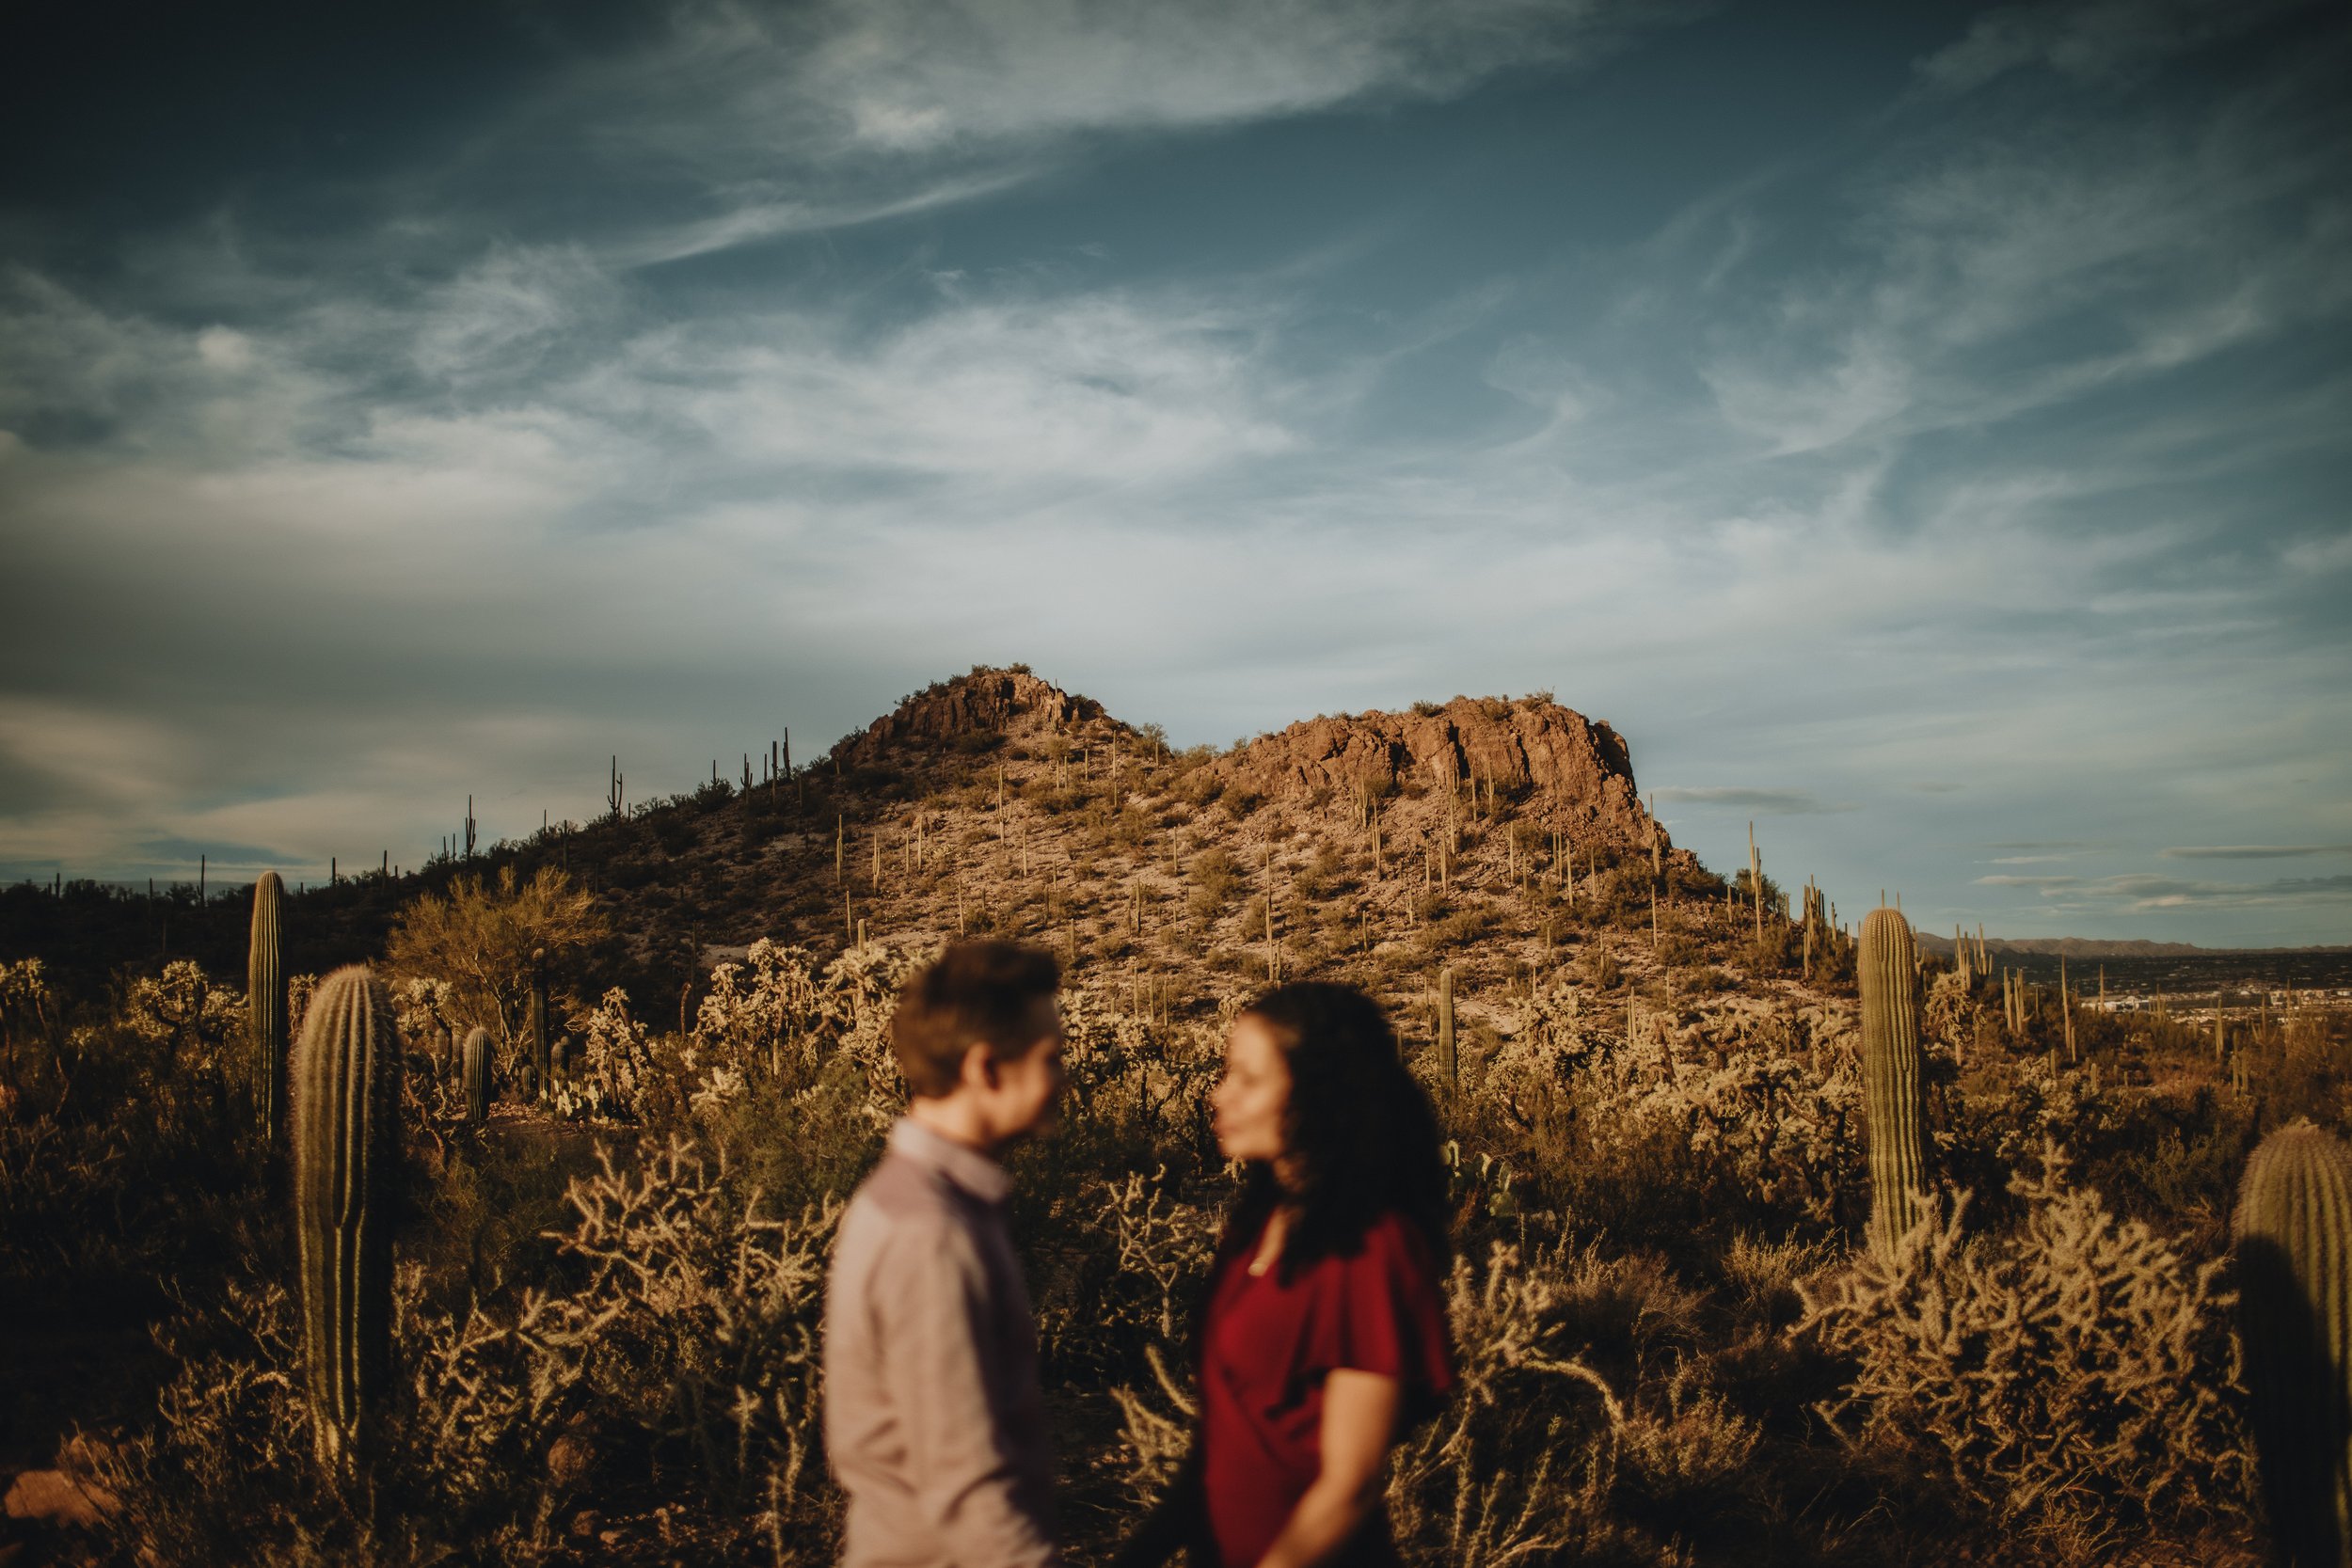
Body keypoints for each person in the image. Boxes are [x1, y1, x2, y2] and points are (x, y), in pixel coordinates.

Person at [1119, 981, 1454, 1568]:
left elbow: (1350, 1486)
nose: (1220, 1095)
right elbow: (1225, 1437)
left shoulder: (1370, 1249)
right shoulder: (1258, 1225)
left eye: (1249, 1079)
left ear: (1320, 1094)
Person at [824, 940, 1069, 1567]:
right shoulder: (931, 1232)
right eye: (1051, 1058)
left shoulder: (912, 1201)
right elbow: (967, 1485)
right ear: (986, 1068)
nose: (1063, 1079)